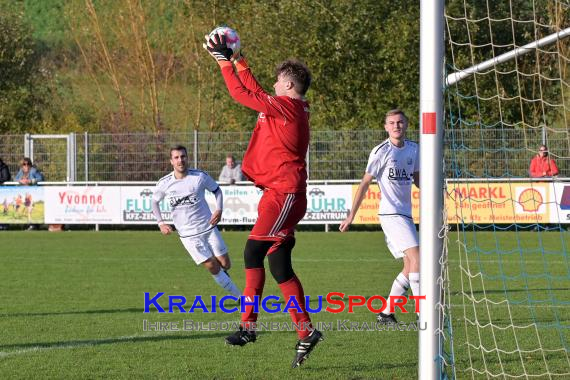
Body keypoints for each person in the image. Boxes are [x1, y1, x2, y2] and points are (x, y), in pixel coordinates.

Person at [204, 33, 322, 368]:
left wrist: (223, 61)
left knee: (252, 251)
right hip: (281, 193)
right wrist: (239, 59)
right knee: (279, 265)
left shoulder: (287, 107)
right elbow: (254, 91)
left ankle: (247, 327)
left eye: (277, 80)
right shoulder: (289, 106)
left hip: (284, 194)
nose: (272, 84)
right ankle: (306, 333)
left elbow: (241, 93)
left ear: (287, 84)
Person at [339, 109, 420, 325]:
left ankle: (386, 313)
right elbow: (365, 183)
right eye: (392, 123)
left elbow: (419, 179)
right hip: (390, 214)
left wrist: (438, 196)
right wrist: (351, 216)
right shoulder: (381, 151)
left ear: (407, 124)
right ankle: (423, 313)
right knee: (418, 258)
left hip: (406, 214)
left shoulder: (414, 149)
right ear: (385, 127)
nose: (396, 126)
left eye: (400, 122)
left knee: (409, 265)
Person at [151, 145, 241, 299]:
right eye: (177, 157)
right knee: (212, 266)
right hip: (188, 235)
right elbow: (154, 202)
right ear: (171, 161)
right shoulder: (164, 183)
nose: (180, 160)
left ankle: (224, 276)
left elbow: (217, 190)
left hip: (208, 227)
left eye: (183, 156)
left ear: (187, 158)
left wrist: (218, 210)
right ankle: (241, 298)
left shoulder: (199, 176)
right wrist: (161, 223)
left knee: (225, 264)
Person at [14, 157, 44, 230]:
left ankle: (34, 225)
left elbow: (41, 178)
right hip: (25, 195)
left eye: (28, 164)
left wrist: (31, 181)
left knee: (31, 209)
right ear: (22, 165)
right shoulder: (21, 171)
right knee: (26, 209)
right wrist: (20, 181)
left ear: (30, 165)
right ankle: (27, 224)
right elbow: (15, 179)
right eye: (24, 164)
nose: (26, 166)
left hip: (34, 193)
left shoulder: (33, 171)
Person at [0, 158, 11, 230]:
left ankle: (4, 225)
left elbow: (6, 177)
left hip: (3, 191)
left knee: (4, 207)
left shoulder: (3, 167)